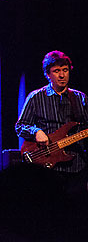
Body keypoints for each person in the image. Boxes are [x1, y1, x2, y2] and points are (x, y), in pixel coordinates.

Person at [15, 50, 88, 193]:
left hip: (76, 167)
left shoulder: (80, 98)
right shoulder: (36, 97)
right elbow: (20, 126)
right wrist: (36, 132)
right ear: (47, 74)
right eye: (56, 71)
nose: (62, 75)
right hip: (47, 168)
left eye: (65, 70)